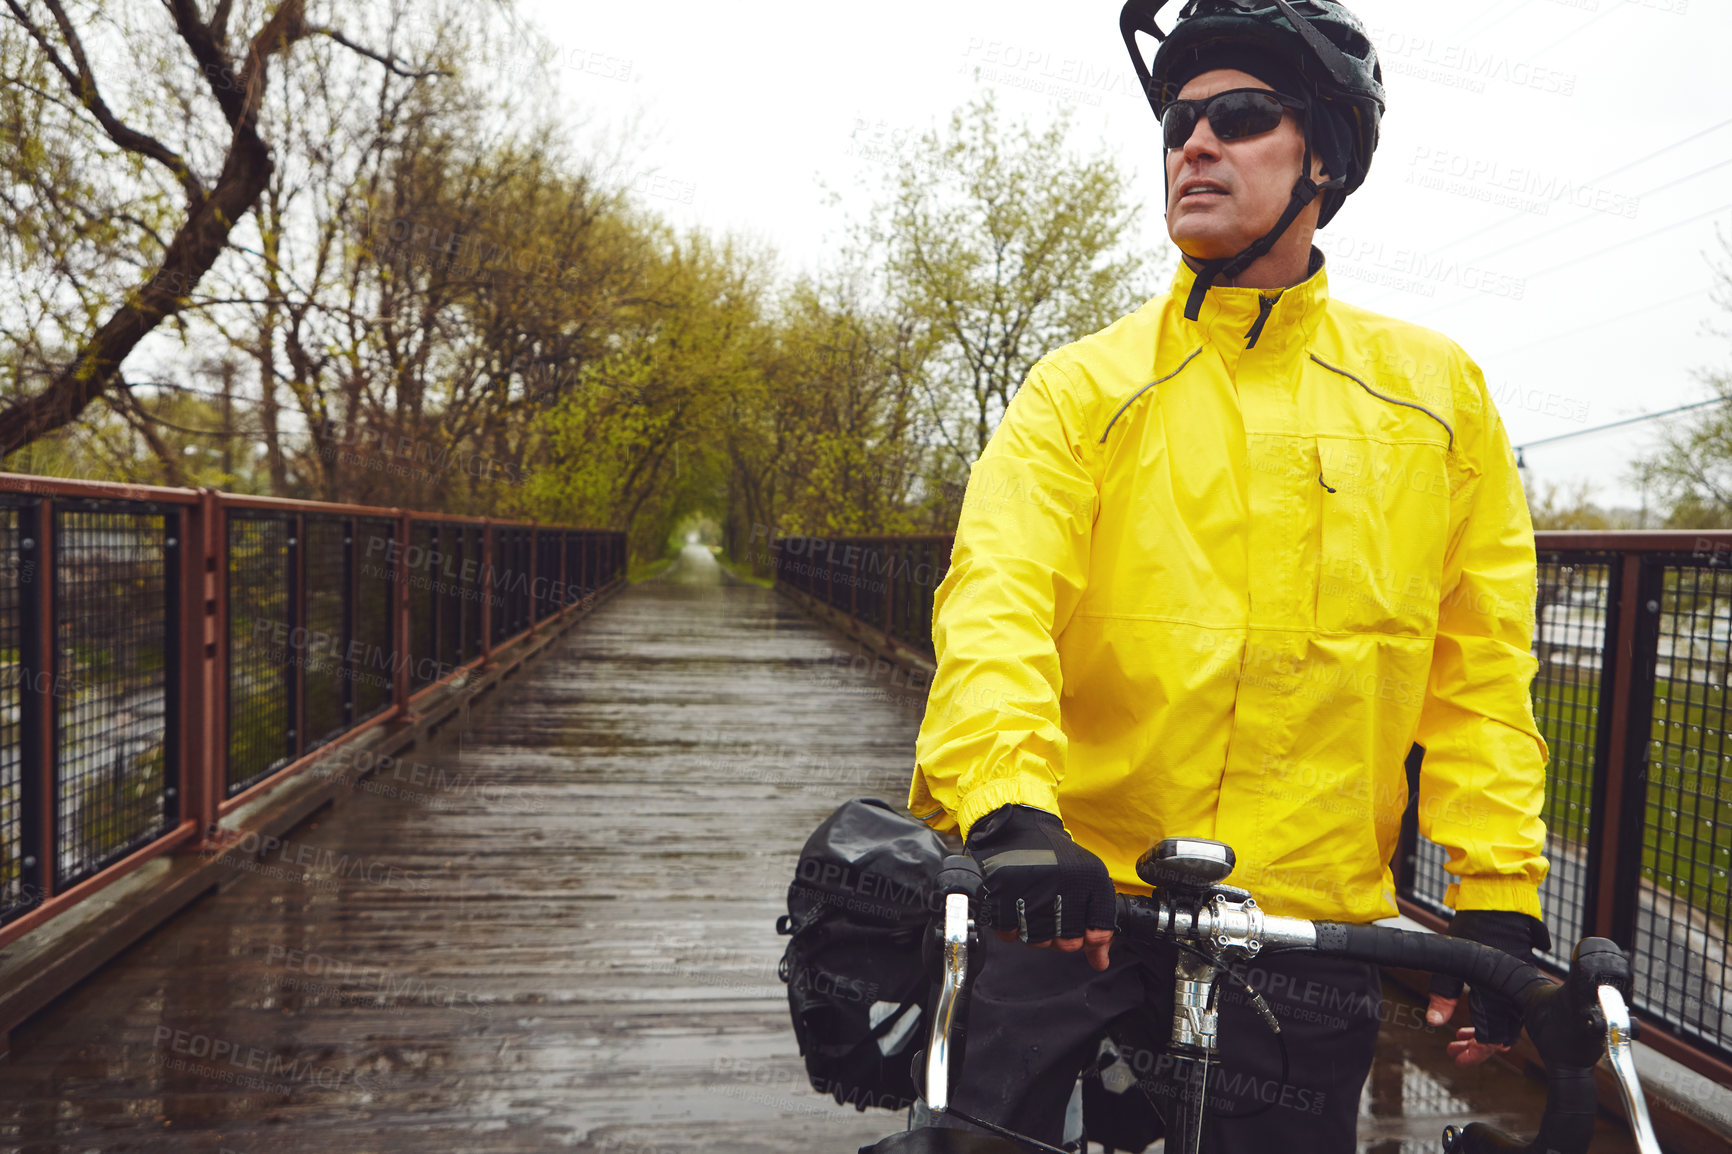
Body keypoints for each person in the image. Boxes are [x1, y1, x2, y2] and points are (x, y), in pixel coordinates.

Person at [908, 1, 1551, 1149]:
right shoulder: (1081, 390)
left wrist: (1495, 891)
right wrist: (1009, 809)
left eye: (1240, 116)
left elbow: (1479, 663)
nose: (1192, 143)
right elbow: (997, 596)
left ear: (1326, 156)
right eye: (1178, 119)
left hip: (1308, 937)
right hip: (1079, 906)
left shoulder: (1437, 394)